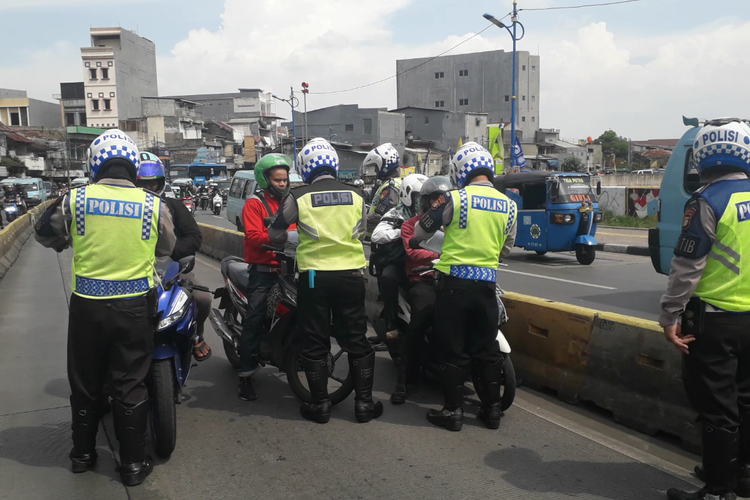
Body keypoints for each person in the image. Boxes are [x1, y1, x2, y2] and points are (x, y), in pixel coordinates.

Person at [34, 129, 176, 486]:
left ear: (94, 164)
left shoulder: (75, 199)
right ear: (132, 164)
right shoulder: (153, 203)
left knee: (85, 380)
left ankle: (82, 456)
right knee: (130, 382)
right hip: (134, 306)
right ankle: (131, 465)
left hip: (88, 305)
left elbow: (45, 235)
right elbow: (166, 248)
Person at [660, 119, 750, 500]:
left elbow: (687, 267)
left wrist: (670, 315)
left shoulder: (708, 200)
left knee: (717, 408)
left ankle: (718, 490)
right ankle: (739, 476)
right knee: (745, 400)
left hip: (714, 321)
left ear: (703, 157)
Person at [269, 138, 382, 424]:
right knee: (357, 338)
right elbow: (362, 233)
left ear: (306, 167)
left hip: (314, 277)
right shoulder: (357, 195)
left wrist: (290, 239)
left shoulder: (299, 195)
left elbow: (275, 233)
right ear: (333, 163)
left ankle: (320, 405)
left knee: (315, 339)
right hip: (352, 276)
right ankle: (364, 404)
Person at [413, 142, 517, 432]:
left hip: (453, 286)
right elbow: (505, 250)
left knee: (454, 351)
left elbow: (422, 231)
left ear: (461, 171)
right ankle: (492, 411)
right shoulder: (509, 205)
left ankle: (453, 412)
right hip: (486, 287)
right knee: (486, 349)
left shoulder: (455, 199)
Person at [135, 152, 212, 362]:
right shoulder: (128, 210)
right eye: (142, 183)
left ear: (160, 183)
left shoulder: (173, 206)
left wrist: (170, 252)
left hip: (171, 272)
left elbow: (194, 237)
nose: (148, 188)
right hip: (133, 275)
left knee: (203, 299)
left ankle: (197, 335)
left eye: (153, 183)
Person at [237, 153, 293, 401]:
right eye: (278, 180)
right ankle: (245, 376)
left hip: (290, 269)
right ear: (265, 179)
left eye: (285, 179)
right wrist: (278, 238)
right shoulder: (255, 204)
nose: (282, 184)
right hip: (264, 272)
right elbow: (253, 236)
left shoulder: (292, 203)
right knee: (255, 318)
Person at [371, 173, 428, 400]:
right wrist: (402, 232)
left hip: (423, 266)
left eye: (424, 198)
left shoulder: (431, 216)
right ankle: (392, 322)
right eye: (417, 197)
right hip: (400, 264)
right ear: (406, 196)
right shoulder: (396, 214)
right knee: (389, 277)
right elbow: (377, 234)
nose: (421, 202)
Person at [396, 176, 453, 402]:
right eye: (433, 200)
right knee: (419, 321)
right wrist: (440, 256)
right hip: (424, 280)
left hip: (451, 279)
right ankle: (403, 380)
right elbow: (413, 253)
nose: (437, 204)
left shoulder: (455, 225)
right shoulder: (411, 225)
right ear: (425, 202)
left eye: (442, 199)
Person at [365, 143, 402, 237]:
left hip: (383, 237)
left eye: (376, 168)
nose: (375, 172)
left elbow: (382, 214)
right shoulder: (397, 182)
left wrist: (360, 218)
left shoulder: (389, 187)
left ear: (384, 165)